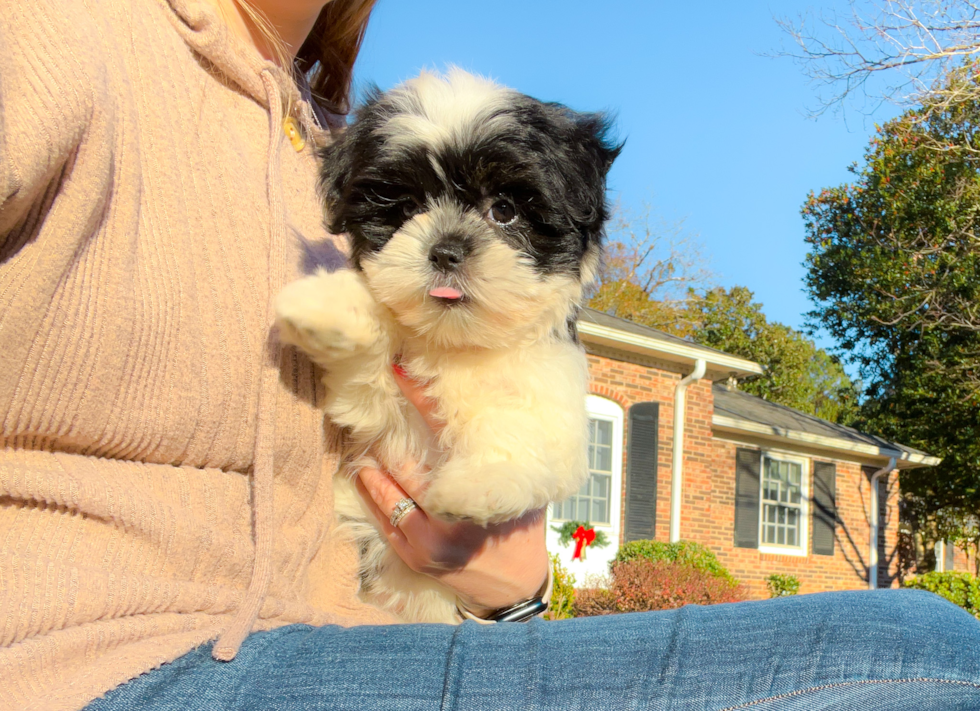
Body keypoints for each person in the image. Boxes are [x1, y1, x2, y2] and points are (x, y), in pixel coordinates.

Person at [0, 1, 978, 710]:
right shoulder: (55, 32)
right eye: (401, 211)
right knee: (918, 651)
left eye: (503, 209)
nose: (449, 241)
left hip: (363, 647)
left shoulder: (337, 135)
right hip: (88, 661)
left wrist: (511, 596)